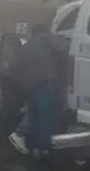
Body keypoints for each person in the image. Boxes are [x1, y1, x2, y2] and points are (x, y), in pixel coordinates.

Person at [10, 23, 70, 158]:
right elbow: (65, 47)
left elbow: (16, 66)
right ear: (45, 31)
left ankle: (32, 144)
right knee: (46, 115)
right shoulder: (45, 37)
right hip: (45, 80)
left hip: (29, 84)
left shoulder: (26, 46)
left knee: (34, 113)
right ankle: (44, 149)